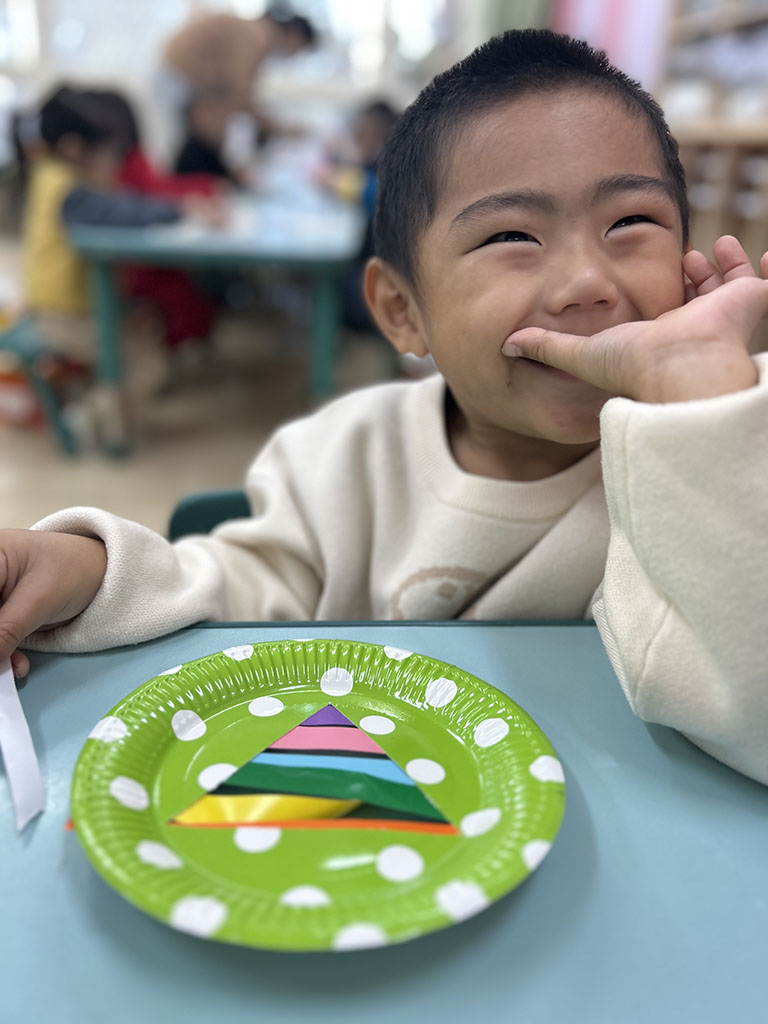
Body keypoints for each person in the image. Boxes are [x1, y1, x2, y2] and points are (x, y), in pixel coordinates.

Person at [2, 30, 768, 788]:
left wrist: (702, 398)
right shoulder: (342, 456)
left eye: (630, 223)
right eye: (512, 234)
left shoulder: (724, 443)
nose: (586, 283)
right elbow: (241, 595)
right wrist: (91, 573)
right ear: (402, 312)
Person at [160, 8, 317, 172]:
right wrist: (276, 128)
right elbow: (239, 92)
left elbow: (236, 91)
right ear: (296, 36)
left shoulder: (257, 32)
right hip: (175, 79)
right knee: (181, 148)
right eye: (300, 49)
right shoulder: (258, 36)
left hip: (183, 80)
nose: (294, 56)